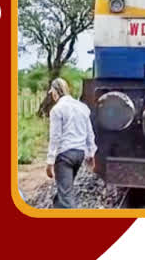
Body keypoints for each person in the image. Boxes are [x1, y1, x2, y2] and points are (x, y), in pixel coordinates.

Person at [45, 78, 97, 208]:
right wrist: (91, 154)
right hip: (79, 155)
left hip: (64, 156)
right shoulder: (82, 107)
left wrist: (50, 161)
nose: (52, 95)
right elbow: (89, 133)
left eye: (52, 92)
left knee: (66, 197)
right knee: (64, 190)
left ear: (56, 92)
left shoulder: (57, 109)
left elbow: (55, 137)